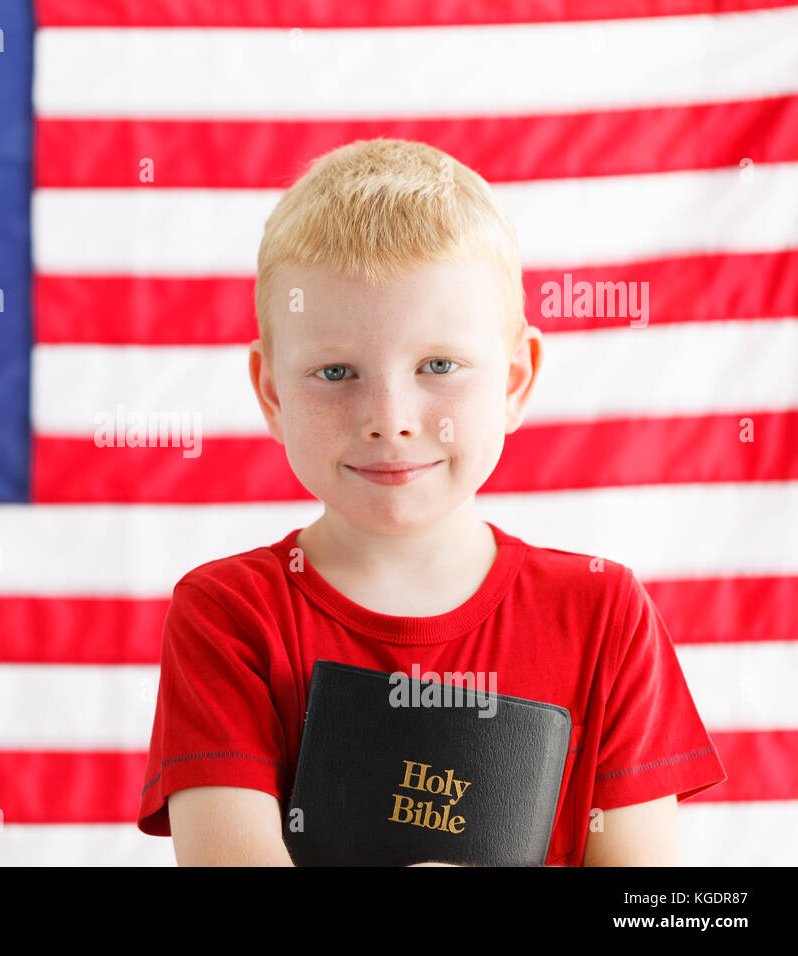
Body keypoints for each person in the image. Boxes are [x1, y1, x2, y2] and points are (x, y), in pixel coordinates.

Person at [135, 138, 726, 866]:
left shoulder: (604, 614)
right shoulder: (227, 617)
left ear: (515, 380)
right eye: (335, 371)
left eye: (439, 365)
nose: (390, 415)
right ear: (271, 392)